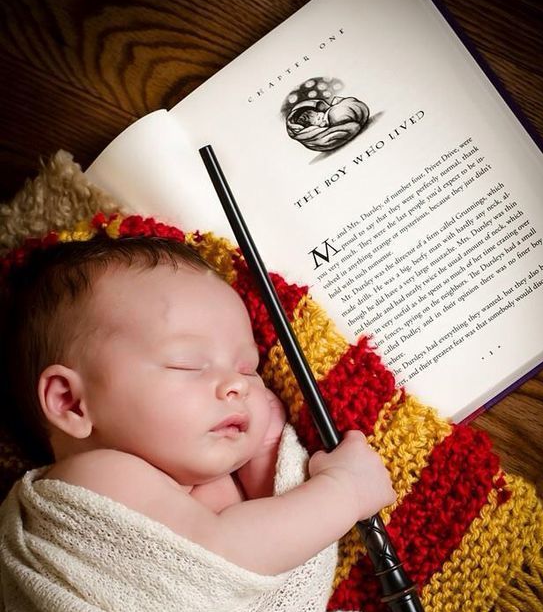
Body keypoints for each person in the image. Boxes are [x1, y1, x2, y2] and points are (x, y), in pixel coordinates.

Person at [1, 234, 396, 575]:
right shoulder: (94, 478)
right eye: (187, 364)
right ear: (71, 403)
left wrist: (263, 454)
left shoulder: (186, 481)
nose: (236, 386)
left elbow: (270, 538)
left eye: (248, 368)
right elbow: (224, 556)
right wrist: (344, 492)